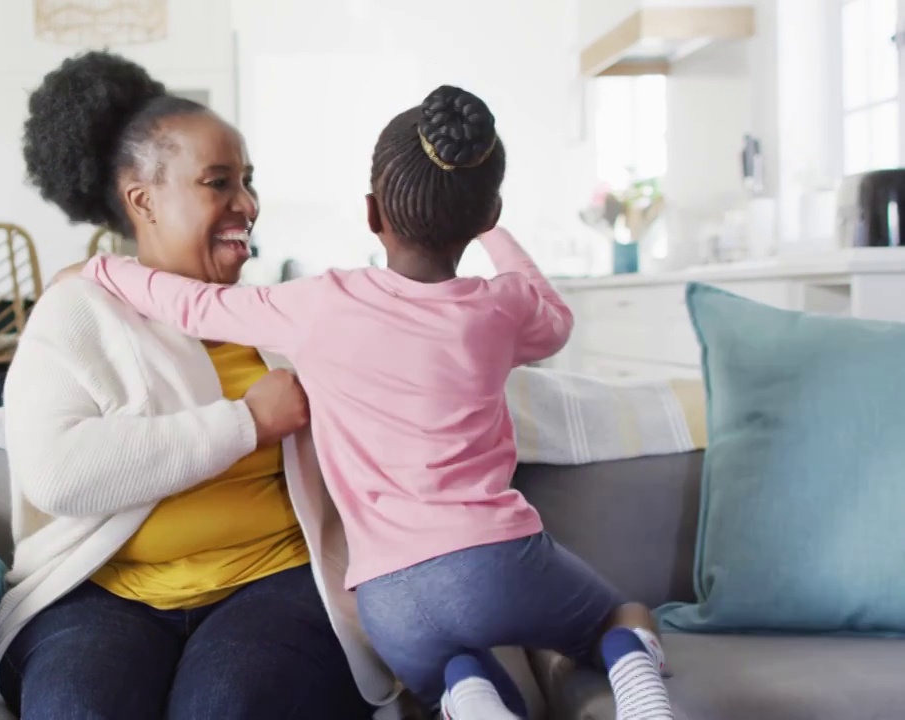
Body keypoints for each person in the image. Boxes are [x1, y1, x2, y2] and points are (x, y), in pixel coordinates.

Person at [76, 86, 675, 720]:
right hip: (500, 562)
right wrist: (496, 233)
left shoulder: (318, 305)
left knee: (446, 671)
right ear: (487, 211)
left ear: (371, 212)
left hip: (389, 597)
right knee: (619, 615)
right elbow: (555, 319)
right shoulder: (500, 308)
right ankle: (635, 676)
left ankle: (464, 693)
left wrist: (101, 272)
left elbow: (192, 304)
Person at [0, 50, 402, 720]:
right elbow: (57, 474)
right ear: (143, 201)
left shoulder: (278, 320)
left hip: (272, 581)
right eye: (219, 183)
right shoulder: (78, 311)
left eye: (249, 181)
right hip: (105, 594)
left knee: (228, 708)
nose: (249, 204)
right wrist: (247, 423)